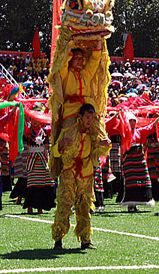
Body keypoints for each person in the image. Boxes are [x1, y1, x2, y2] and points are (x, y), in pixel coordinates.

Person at [51, 103, 111, 250]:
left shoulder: (94, 133)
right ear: (80, 117)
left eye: (92, 117)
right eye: (87, 117)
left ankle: (85, 240)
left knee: (85, 206)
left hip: (86, 172)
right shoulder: (69, 130)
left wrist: (104, 146)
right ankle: (58, 240)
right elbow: (54, 152)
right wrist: (61, 144)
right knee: (64, 205)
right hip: (69, 172)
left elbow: (96, 154)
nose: (89, 121)